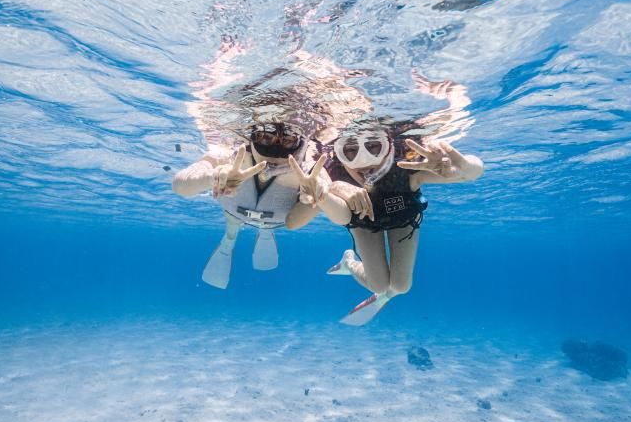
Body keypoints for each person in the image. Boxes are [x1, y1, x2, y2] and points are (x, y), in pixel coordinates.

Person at [324, 127, 484, 325]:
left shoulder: (407, 167)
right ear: (339, 152)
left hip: (402, 217)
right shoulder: (334, 170)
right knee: (380, 285)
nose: (363, 161)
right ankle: (349, 262)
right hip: (364, 221)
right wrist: (334, 186)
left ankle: (375, 280)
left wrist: (466, 167)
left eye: (374, 146)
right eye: (349, 150)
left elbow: (473, 172)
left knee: (401, 286)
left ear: (389, 147)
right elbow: (314, 185)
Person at [171, 121, 347, 289]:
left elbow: (332, 216)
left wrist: (320, 198)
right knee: (232, 226)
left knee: (260, 225)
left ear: (300, 143)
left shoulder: (310, 168)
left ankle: (264, 232)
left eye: (288, 140)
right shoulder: (230, 155)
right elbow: (180, 185)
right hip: (234, 212)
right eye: (264, 137)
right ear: (251, 137)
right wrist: (211, 178)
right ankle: (229, 241)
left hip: (275, 219)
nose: (275, 151)